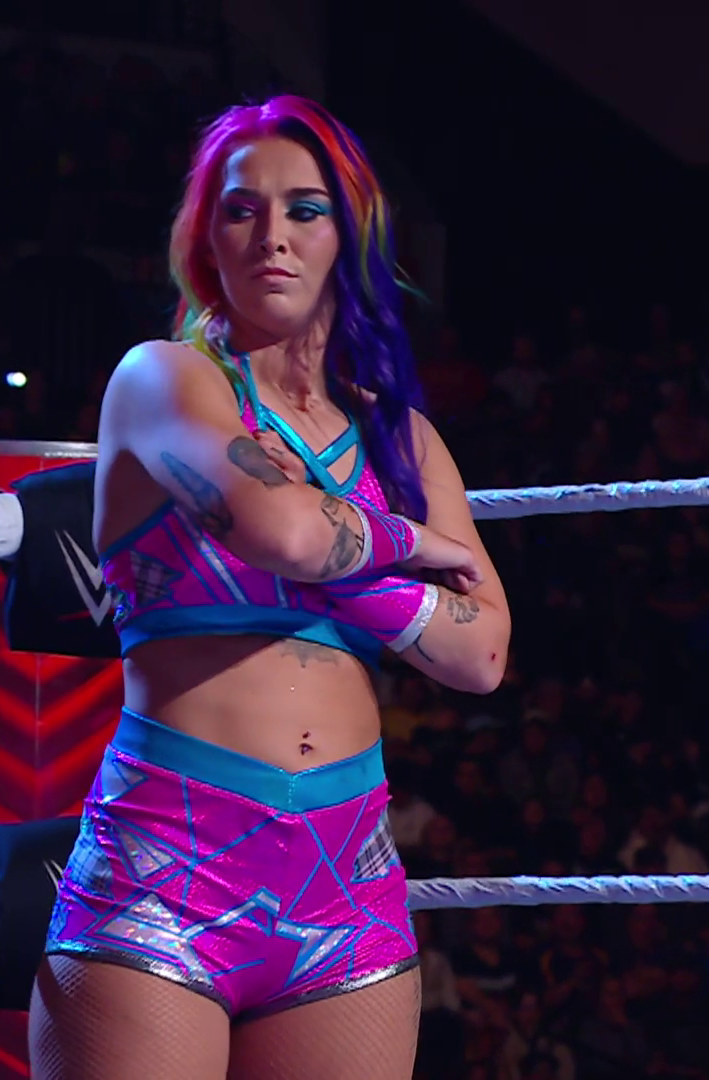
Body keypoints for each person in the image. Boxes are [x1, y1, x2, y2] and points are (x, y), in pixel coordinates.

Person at [29, 95, 511, 1080]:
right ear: (206, 236)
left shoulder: (402, 438)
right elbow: (284, 532)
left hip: (348, 884)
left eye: (305, 209)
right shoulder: (164, 379)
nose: (272, 237)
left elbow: (482, 651)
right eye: (242, 209)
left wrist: (341, 562)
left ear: (350, 233)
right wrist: (406, 544)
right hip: (166, 871)